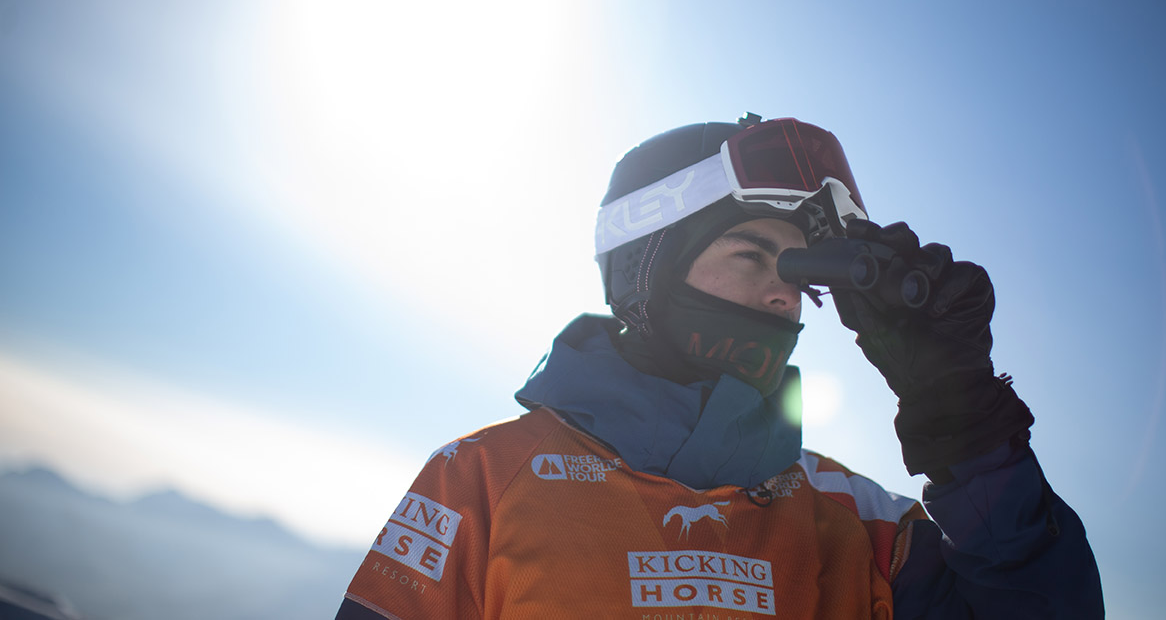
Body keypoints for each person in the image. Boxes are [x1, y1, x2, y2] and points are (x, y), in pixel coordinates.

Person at [334, 115, 1104, 618]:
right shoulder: (481, 481)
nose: (782, 294)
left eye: (799, 273)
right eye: (751, 254)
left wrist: (964, 417)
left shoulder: (858, 522)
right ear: (647, 267)